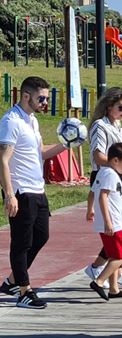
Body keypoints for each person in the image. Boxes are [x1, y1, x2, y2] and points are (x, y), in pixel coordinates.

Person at [0, 76, 68, 308]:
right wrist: (9, 194)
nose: (45, 103)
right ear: (26, 96)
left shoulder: (32, 121)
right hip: (21, 191)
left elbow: (39, 152)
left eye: (47, 98)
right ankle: (24, 292)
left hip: (37, 189)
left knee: (41, 236)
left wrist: (67, 144)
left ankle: (11, 281)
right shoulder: (11, 121)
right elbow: (3, 159)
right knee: (22, 243)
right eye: (42, 98)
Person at [83, 87, 122, 290]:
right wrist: (118, 164)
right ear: (109, 106)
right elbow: (98, 156)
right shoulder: (100, 126)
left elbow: (120, 153)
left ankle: (113, 273)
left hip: (116, 176)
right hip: (105, 176)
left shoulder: (117, 125)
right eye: (121, 107)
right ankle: (105, 268)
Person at [88, 143, 122, 302]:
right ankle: (99, 281)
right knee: (121, 256)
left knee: (113, 255)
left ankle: (114, 289)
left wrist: (90, 210)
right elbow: (103, 196)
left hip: (110, 222)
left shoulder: (103, 172)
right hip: (113, 223)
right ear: (115, 160)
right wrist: (108, 222)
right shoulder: (111, 175)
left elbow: (92, 192)